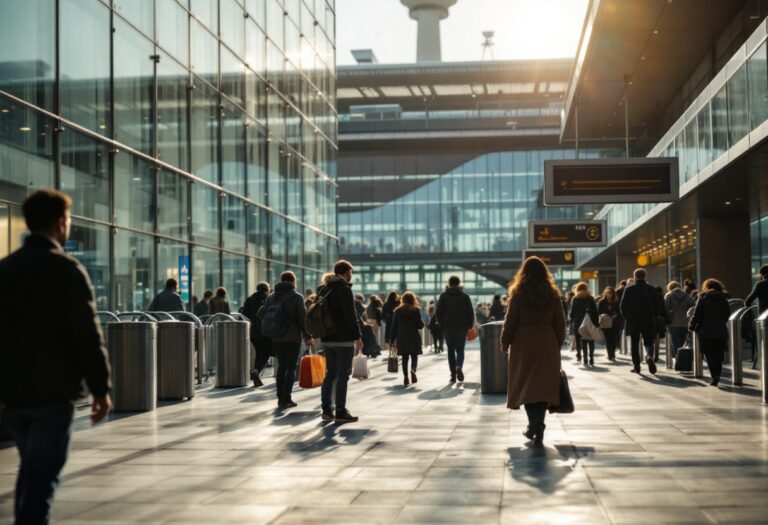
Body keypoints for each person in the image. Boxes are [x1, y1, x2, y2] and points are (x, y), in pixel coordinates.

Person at [0, 189, 112, 524]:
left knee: (32, 469)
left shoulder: (5, 269)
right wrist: (100, 388)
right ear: (61, 223)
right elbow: (86, 334)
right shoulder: (67, 270)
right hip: (54, 391)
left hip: (13, 394)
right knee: (42, 478)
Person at [501, 256, 564, 447]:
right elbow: (560, 323)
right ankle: (539, 424)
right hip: (547, 341)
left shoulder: (518, 294)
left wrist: (505, 342)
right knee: (543, 385)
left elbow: (510, 322)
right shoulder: (553, 295)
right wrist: (557, 343)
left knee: (527, 385)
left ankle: (533, 424)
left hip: (523, 343)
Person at [318, 260, 363, 423]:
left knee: (330, 374)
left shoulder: (324, 288)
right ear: (345, 273)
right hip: (343, 340)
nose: (351, 275)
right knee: (343, 375)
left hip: (327, 339)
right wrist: (358, 336)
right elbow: (350, 316)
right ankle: (341, 410)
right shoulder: (344, 289)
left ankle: (326, 409)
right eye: (350, 272)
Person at [263, 271, 314, 408]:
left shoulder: (271, 297)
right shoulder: (296, 297)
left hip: (277, 337)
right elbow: (302, 319)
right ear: (293, 282)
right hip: (292, 338)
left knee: (281, 367)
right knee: (291, 368)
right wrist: (308, 336)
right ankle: (287, 397)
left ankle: (280, 397)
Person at [620, 268, 663, 374]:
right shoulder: (651, 289)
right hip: (648, 320)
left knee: (634, 343)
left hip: (633, 320)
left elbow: (623, 306)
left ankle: (637, 366)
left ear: (635, 276)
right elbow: (658, 305)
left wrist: (628, 317)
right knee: (648, 342)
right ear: (645, 276)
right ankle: (649, 356)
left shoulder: (629, 289)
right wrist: (656, 316)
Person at [689, 279, 731, 386]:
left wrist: (692, 325)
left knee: (709, 354)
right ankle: (718, 374)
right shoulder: (723, 299)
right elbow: (727, 315)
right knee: (718, 355)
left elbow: (697, 314)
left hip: (705, 331)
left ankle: (714, 376)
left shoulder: (703, 298)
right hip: (721, 331)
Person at [436, 275, 475, 383]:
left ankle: (453, 374)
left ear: (449, 283)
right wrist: (470, 325)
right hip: (462, 327)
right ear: (458, 284)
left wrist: (442, 324)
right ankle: (459, 366)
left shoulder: (443, 296)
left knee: (450, 351)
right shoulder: (465, 296)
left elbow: (438, 312)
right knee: (460, 349)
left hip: (448, 327)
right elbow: (470, 312)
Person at [240, 282, 272, 387]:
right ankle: (256, 371)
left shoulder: (249, 299)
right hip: (265, 331)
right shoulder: (269, 298)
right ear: (267, 289)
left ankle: (256, 374)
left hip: (252, 332)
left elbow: (243, 315)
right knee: (266, 353)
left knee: (259, 353)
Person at [390, 292, 425, 386]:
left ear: (403, 300)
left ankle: (405, 377)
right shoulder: (416, 310)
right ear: (413, 300)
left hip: (402, 337)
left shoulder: (397, 311)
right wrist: (421, 321)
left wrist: (392, 339)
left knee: (405, 358)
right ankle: (413, 370)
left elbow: (394, 326)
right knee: (414, 356)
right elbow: (420, 326)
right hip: (414, 336)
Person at [568, 282, 598, 365]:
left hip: (578, 322)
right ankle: (591, 358)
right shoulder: (591, 298)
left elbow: (572, 312)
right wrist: (596, 323)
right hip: (590, 322)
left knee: (579, 339)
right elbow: (595, 312)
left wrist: (571, 319)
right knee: (590, 340)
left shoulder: (575, 298)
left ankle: (580, 356)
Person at [665, 281, 695, 358]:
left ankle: (677, 358)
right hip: (685, 322)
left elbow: (665, 308)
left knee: (675, 341)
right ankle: (682, 357)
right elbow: (693, 307)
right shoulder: (687, 296)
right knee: (683, 341)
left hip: (672, 323)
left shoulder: (669, 295)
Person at [597, 286, 620, 361]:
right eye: (607, 293)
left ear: (613, 294)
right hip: (606, 323)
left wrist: (615, 315)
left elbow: (619, 312)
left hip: (615, 322)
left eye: (610, 293)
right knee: (608, 339)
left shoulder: (616, 302)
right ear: (605, 293)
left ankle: (612, 353)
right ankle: (610, 354)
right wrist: (604, 315)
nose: (609, 294)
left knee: (614, 339)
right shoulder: (601, 302)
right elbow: (599, 312)